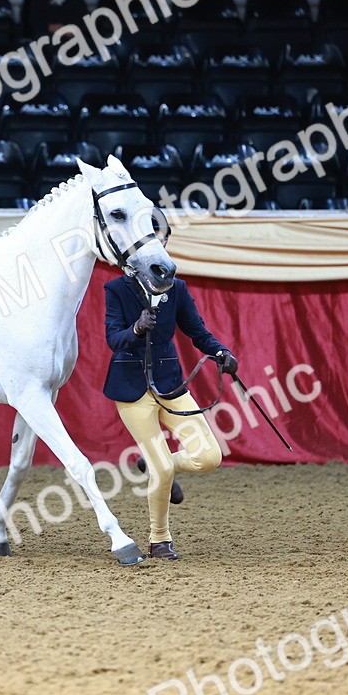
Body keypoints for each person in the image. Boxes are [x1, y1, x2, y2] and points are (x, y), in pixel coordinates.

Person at [103, 212, 236, 561]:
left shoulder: (177, 288)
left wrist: (220, 351)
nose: (157, 244)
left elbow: (197, 331)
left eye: (160, 239)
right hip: (131, 391)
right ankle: (159, 540)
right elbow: (112, 339)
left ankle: (159, 463)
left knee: (209, 457)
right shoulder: (116, 289)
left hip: (171, 385)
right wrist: (136, 329)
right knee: (162, 468)